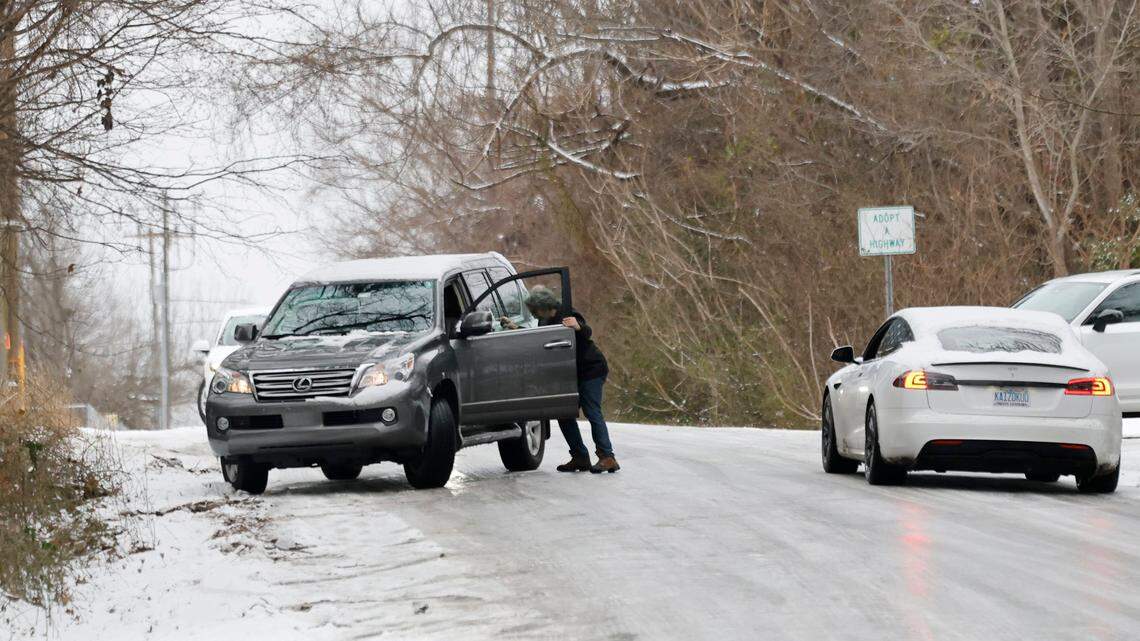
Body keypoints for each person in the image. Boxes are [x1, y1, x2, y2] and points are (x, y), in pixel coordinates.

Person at [516, 286, 619, 474]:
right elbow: (538, 340)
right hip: (568, 372)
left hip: (590, 368)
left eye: (536, 310)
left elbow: (586, 331)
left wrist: (577, 326)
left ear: (544, 306)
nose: (535, 314)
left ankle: (607, 456)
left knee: (592, 410)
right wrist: (516, 329)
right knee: (564, 413)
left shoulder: (568, 313)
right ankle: (580, 456)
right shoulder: (544, 321)